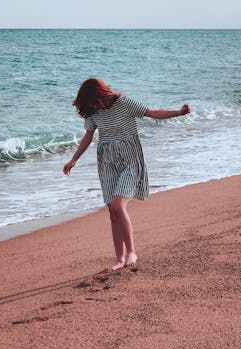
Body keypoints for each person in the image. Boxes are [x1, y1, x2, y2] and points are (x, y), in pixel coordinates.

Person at [63, 78, 191, 270]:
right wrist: (74, 159)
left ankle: (131, 251)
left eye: (91, 100)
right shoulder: (92, 111)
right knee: (112, 211)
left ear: (100, 94)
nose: (90, 105)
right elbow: (88, 136)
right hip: (107, 160)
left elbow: (152, 113)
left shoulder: (124, 103)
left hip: (130, 158)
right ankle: (119, 259)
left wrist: (179, 113)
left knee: (118, 205)